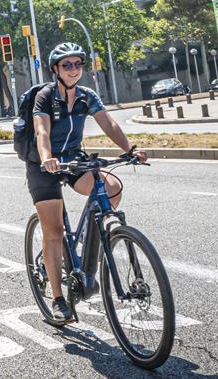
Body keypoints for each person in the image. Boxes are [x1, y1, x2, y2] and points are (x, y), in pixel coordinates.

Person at [28, 42, 144, 324]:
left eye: (77, 64)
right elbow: (42, 131)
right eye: (66, 65)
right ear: (56, 69)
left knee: (112, 188)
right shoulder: (45, 97)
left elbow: (109, 124)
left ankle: (91, 238)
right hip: (43, 165)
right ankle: (58, 299)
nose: (73, 69)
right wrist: (47, 158)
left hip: (73, 160)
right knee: (54, 230)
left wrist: (129, 150)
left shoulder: (85, 96)